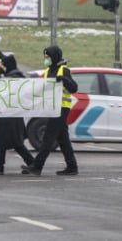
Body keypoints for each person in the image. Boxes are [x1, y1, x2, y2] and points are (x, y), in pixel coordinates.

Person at [22, 45, 78, 176]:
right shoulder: (48, 71)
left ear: (54, 57)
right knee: (63, 139)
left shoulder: (63, 70)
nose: (46, 59)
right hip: (52, 108)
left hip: (61, 108)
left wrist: (63, 80)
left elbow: (74, 88)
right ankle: (72, 166)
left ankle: (37, 166)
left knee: (48, 137)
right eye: (45, 57)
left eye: (48, 57)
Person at [0, 53, 35, 175]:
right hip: (12, 114)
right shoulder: (15, 76)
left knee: (6, 142)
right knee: (13, 142)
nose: (1, 67)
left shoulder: (12, 78)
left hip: (9, 115)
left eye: (2, 65)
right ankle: (31, 163)